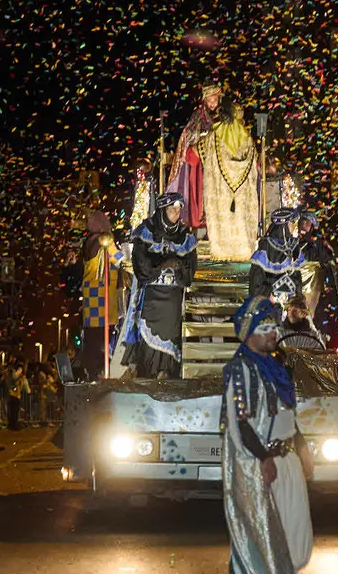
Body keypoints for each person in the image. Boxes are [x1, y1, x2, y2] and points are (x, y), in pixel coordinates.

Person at [214, 297, 313, 574]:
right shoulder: (240, 369)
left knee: (291, 529)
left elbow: (287, 413)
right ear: (249, 333)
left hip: (286, 459)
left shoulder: (275, 367)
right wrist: (263, 458)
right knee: (266, 534)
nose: (274, 334)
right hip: (261, 463)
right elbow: (239, 421)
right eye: (266, 328)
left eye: (274, 327)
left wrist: (302, 446)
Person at [120, 193, 198, 379]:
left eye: (178, 210)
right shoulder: (146, 231)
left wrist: (179, 265)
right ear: (162, 210)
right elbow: (141, 265)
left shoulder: (185, 236)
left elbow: (189, 270)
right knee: (148, 337)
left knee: (170, 334)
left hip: (172, 298)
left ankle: (166, 373)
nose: (176, 214)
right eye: (172, 210)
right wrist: (162, 265)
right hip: (151, 297)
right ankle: (147, 374)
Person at [197, 95, 261, 261]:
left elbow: (197, 153)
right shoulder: (248, 139)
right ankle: (244, 250)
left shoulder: (213, 137)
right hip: (242, 193)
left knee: (223, 218)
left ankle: (221, 251)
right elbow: (256, 164)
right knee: (241, 220)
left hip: (221, 192)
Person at [168, 82, 222, 231]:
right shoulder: (198, 115)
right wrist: (203, 138)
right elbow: (189, 136)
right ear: (205, 100)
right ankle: (198, 221)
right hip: (201, 162)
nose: (212, 104)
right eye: (210, 101)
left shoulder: (222, 116)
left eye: (215, 100)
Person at [80, 211, 120, 379]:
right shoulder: (104, 240)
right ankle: (102, 375)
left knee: (92, 340)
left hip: (90, 297)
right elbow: (119, 258)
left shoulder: (88, 242)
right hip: (104, 297)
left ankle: (92, 374)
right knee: (103, 340)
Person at [295, 210, 338, 347]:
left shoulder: (318, 244)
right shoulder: (295, 244)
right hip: (298, 286)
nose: (303, 225)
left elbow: (327, 260)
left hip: (314, 286)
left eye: (307, 223)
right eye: (302, 222)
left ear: (313, 227)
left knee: (314, 316)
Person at [249, 208, 305, 304]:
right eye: (293, 223)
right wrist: (268, 295)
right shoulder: (266, 246)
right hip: (270, 302)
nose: (295, 226)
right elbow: (256, 279)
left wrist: (298, 297)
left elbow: (297, 276)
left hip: (291, 304)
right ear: (284, 225)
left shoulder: (294, 246)